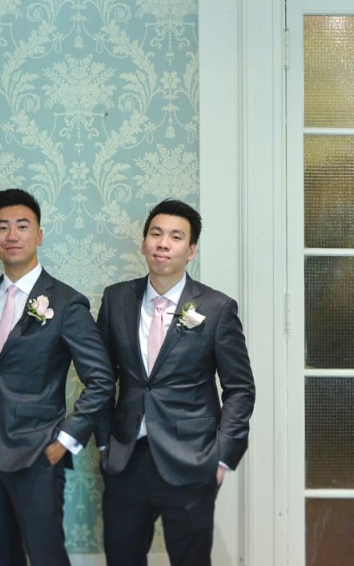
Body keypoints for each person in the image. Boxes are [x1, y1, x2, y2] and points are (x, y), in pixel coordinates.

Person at [96, 199, 255, 566]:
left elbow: (240, 389)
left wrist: (222, 458)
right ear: (144, 243)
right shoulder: (117, 298)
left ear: (191, 250)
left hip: (192, 459)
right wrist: (104, 442)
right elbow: (102, 377)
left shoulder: (216, 307)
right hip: (127, 457)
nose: (163, 243)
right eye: (156, 234)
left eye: (175, 236)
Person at [0, 188, 115, 566]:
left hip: (37, 453)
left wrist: (65, 440)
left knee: (47, 556)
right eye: (2, 226)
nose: (11, 235)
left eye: (22, 225)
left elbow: (101, 380)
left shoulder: (66, 302)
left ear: (39, 235)